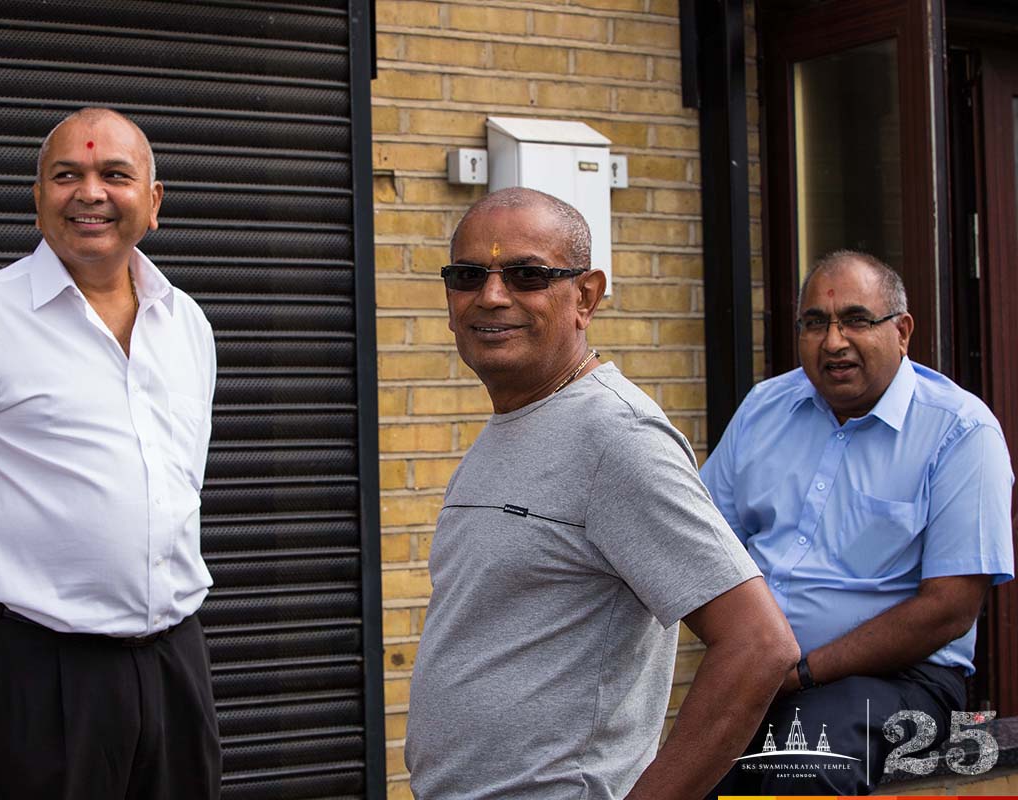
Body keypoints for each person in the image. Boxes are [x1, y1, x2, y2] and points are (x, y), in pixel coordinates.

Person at [403, 187, 799, 800]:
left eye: (527, 275)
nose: (491, 295)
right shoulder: (515, 423)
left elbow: (759, 646)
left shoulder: (617, 438)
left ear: (585, 296)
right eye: (467, 274)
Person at [0, 108, 221, 799]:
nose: (89, 192)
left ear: (153, 202)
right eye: (66, 175)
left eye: (114, 175)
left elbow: (180, 483)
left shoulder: (186, 323)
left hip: (172, 667)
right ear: (38, 197)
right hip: (31, 679)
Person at [701, 250, 1014, 795]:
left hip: (902, 681)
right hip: (758, 672)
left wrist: (800, 672)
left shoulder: (960, 431)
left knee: (792, 769)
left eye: (855, 320)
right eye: (815, 323)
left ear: (902, 331)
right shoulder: (764, 409)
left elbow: (950, 610)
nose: (833, 341)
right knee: (684, 777)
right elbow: (702, 545)